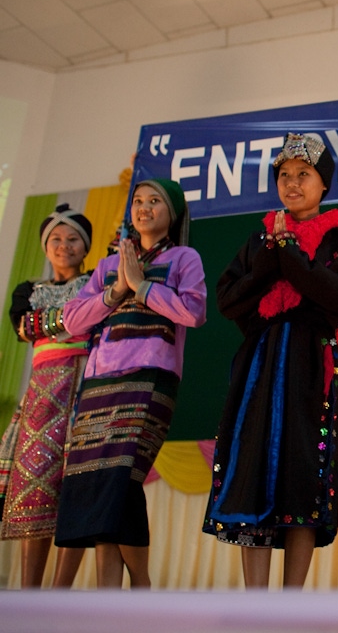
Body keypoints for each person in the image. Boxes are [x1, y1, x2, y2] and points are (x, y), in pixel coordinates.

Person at [202, 132, 338, 589]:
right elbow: (228, 299)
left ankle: (291, 600)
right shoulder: (261, 238)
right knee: (254, 471)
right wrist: (271, 260)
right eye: (284, 175)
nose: (292, 184)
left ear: (324, 184)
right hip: (260, 365)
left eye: (303, 175)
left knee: (304, 475)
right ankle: (257, 602)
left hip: (311, 366)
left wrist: (292, 259)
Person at [54, 178, 206, 588]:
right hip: (100, 382)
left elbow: (193, 313)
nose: (143, 207)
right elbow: (70, 321)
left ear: (172, 213)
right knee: (103, 486)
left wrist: (141, 286)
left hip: (149, 381)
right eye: (138, 201)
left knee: (121, 478)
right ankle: (113, 598)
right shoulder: (107, 265)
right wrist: (117, 288)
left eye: (154, 201)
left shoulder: (183, 258)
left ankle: (139, 582)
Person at [0, 205, 92, 587]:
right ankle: (30, 592)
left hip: (84, 387)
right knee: (33, 488)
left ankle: (60, 592)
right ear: (45, 245)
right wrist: (75, 317)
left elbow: (43, 325)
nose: (64, 246)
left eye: (72, 239)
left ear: (85, 247)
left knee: (79, 486)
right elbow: (24, 327)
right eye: (56, 239)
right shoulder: (28, 290)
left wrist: (49, 323)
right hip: (41, 396)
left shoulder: (95, 281)